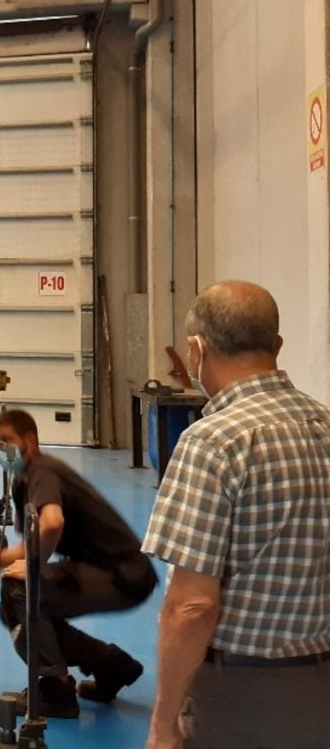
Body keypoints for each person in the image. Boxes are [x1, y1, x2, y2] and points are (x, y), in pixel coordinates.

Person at [142, 281, 330, 749]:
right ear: (278, 346)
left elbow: (192, 606)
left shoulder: (213, 443)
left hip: (242, 696)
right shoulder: (326, 426)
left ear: (195, 349)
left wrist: (163, 727)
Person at [0, 408, 156, 718]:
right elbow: (35, 539)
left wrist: (32, 570)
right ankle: (110, 665)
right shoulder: (30, 476)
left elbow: (52, 524)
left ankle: (56, 689)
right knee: (26, 608)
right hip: (120, 572)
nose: (3, 450)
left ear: (29, 441)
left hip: (122, 576)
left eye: (7, 441)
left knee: (20, 592)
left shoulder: (40, 471)